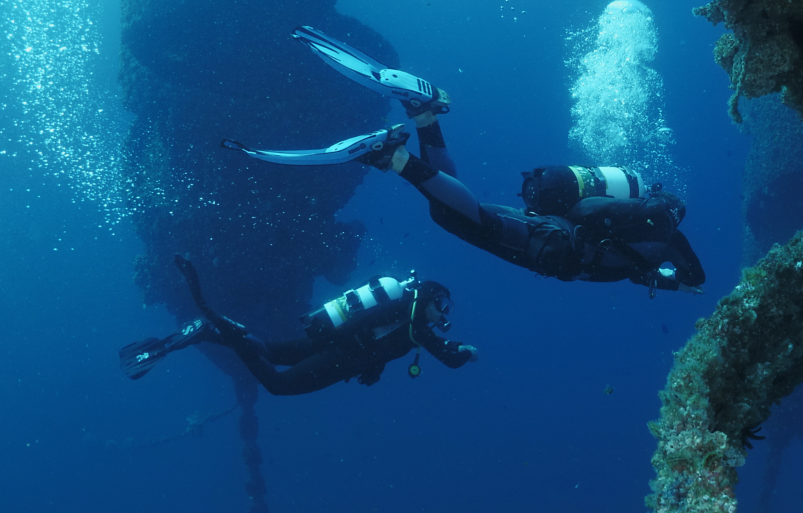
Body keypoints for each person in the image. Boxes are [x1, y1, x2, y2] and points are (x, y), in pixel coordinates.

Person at [221, 26, 706, 297]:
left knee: (455, 210)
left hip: (553, 234)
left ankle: (424, 116)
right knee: (471, 220)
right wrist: (669, 278)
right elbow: (694, 279)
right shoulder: (666, 239)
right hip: (555, 248)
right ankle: (392, 155)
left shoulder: (653, 228)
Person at [120, 255, 478, 395]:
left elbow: (379, 332)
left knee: (271, 351)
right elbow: (446, 356)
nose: (443, 313)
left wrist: (378, 367)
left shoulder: (405, 316)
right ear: (429, 299)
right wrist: (464, 353)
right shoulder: (418, 322)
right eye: (442, 304)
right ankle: (218, 325)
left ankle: (209, 332)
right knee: (277, 384)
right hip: (342, 356)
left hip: (335, 342)